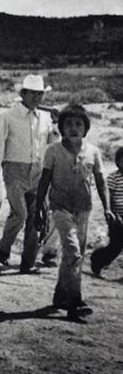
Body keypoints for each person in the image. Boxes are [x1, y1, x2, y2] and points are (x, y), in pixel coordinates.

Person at [33, 105, 111, 319]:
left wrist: (107, 208)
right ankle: (75, 300)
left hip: (84, 209)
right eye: (68, 124)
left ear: (86, 128)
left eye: (78, 124)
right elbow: (44, 180)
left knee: (74, 255)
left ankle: (60, 294)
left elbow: (101, 182)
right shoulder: (53, 151)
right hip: (60, 207)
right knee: (73, 251)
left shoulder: (93, 152)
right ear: (61, 128)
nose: (74, 128)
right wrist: (39, 207)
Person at [0, 74, 58, 272]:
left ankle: (28, 262)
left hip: (38, 171)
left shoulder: (45, 118)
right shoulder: (8, 117)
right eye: (32, 93)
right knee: (20, 213)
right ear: (23, 93)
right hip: (14, 170)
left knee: (36, 217)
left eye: (39, 94)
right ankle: (4, 245)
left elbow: (52, 143)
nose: (36, 97)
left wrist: (56, 125)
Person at [91, 147, 123, 278]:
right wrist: (113, 213)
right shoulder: (113, 178)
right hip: (117, 218)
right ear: (118, 161)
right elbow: (109, 197)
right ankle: (97, 259)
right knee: (116, 246)